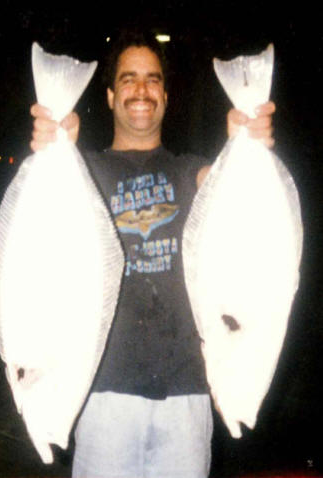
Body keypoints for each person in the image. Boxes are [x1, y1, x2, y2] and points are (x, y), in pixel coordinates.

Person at [31, 30, 275, 478]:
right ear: (108, 96)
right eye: (128, 79)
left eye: (151, 79)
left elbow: (232, 195)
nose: (140, 91)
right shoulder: (84, 173)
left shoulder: (190, 172)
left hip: (187, 396)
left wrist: (248, 140)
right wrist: (52, 141)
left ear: (165, 93)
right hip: (101, 394)